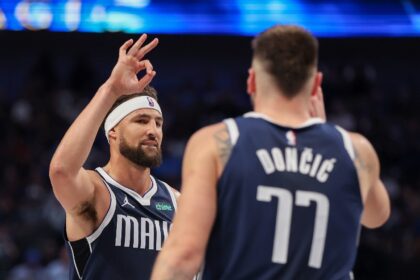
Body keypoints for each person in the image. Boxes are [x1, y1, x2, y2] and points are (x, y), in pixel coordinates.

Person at [151, 25, 390, 279]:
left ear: (251, 80)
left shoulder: (215, 142)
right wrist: (326, 133)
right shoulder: (356, 150)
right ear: (316, 83)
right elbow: (377, 216)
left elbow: (184, 255)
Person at [49, 34, 179, 280]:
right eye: (141, 120)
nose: (153, 130)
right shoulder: (95, 192)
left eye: (158, 123)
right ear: (113, 132)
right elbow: (61, 171)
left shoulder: (176, 202)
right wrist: (111, 89)